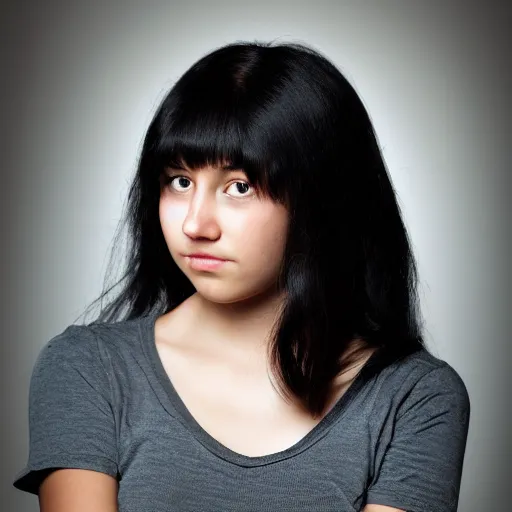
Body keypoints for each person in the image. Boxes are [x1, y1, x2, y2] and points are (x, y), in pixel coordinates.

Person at [13, 40, 470, 512]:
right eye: (180, 181)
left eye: (239, 187)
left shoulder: (415, 399)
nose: (195, 224)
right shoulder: (88, 370)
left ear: (322, 200)